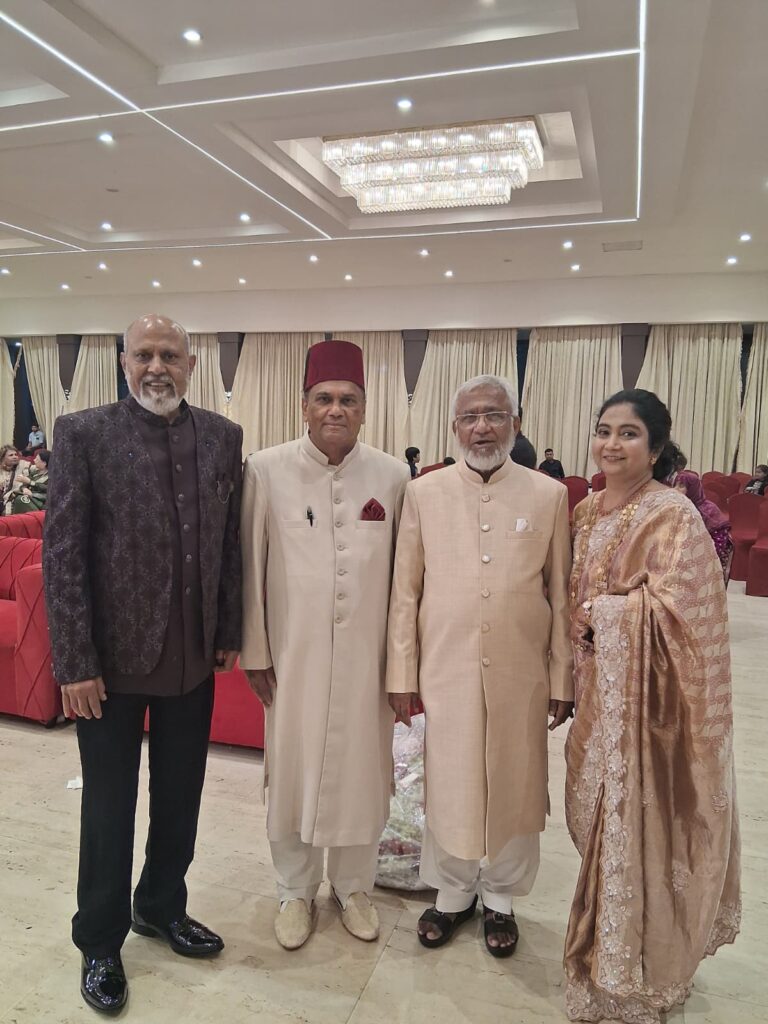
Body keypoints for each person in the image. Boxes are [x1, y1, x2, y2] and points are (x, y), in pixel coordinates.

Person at [43, 314, 243, 1014]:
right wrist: (74, 662)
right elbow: (62, 554)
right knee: (108, 806)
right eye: (144, 355)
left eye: (170, 355)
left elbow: (229, 542)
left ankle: (160, 905)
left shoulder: (222, 436)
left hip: (193, 659)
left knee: (181, 796)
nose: (157, 367)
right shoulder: (84, 433)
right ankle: (100, 939)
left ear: (191, 363)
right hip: (109, 667)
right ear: (124, 361)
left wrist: (228, 627)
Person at [565, 388, 740, 1024]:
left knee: (643, 836)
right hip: (597, 698)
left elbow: (690, 617)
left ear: (657, 446)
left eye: (629, 433)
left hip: (651, 714)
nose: (611, 444)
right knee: (598, 833)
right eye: (604, 430)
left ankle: (641, 979)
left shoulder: (673, 514)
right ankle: (602, 960)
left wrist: (606, 617)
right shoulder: (586, 510)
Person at [387, 374, 573, 957]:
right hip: (447, 667)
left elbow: (562, 595)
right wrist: (401, 676)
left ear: (515, 423)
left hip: (523, 670)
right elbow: (405, 593)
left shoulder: (548, 495)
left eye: (494, 415)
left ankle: (501, 897)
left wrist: (563, 677)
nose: (482, 427)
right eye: (470, 417)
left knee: (516, 779)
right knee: (452, 779)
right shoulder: (424, 493)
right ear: (454, 427)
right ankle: (451, 893)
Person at [241, 339, 410, 951]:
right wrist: (256, 651)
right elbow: (249, 567)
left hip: (369, 662)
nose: (335, 409)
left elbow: (405, 581)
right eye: (324, 398)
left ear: (364, 408)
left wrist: (401, 667)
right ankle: (294, 890)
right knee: (292, 773)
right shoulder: (266, 469)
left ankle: (354, 887)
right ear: (304, 405)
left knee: (364, 774)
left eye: (348, 400)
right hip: (294, 657)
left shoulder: (393, 476)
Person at [674, 467, 733, 578]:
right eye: (674, 485)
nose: (675, 489)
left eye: (681, 486)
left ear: (693, 489)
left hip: (705, 557)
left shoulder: (708, 510)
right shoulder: (674, 507)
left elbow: (718, 542)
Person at [9, 448, 50, 513]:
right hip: (29, 497)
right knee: (18, 498)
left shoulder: (51, 476)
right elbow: (23, 485)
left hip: (40, 501)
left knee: (20, 499)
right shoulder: (35, 472)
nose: (34, 460)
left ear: (44, 463)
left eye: (37, 459)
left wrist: (30, 482)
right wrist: (24, 489)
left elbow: (47, 488)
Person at [0, 445, 21, 515]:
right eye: (11, 455)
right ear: (3, 458)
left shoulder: (23, 466)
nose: (15, 457)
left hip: (12, 500)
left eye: (16, 454)